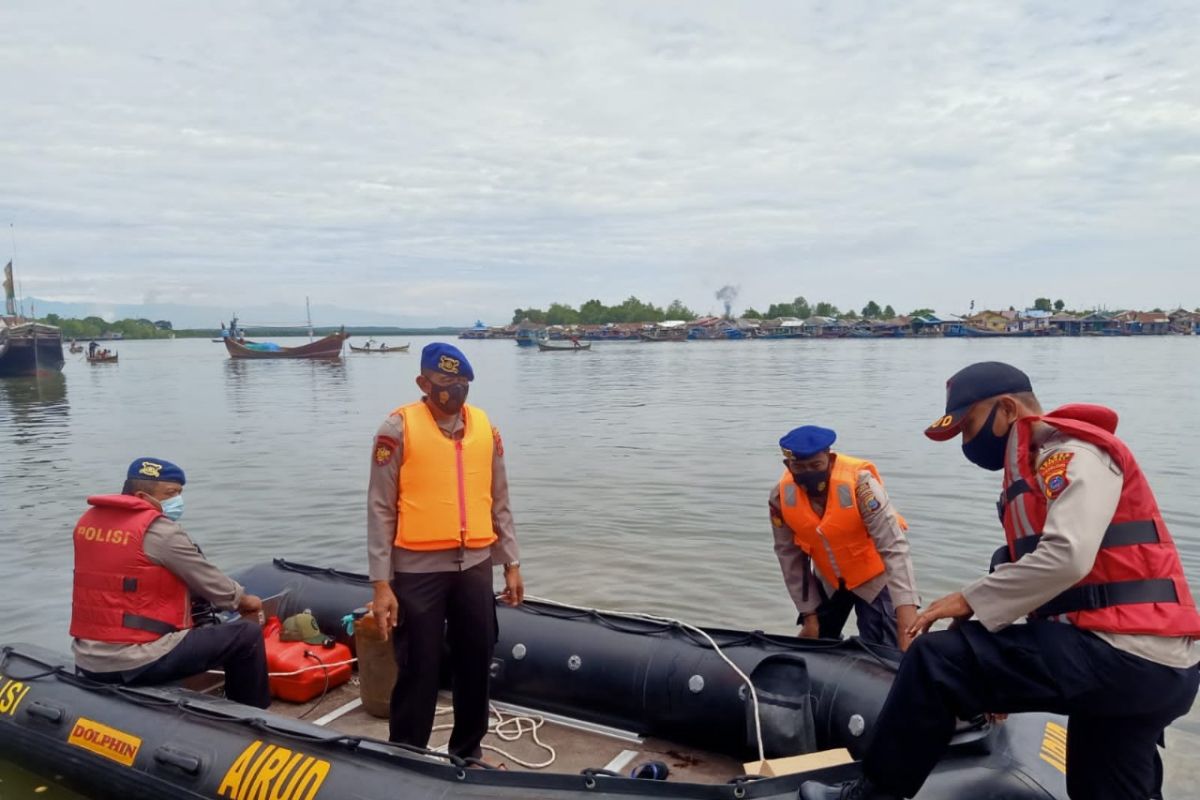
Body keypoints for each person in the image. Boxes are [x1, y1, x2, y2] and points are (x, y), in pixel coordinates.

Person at [801, 362, 1200, 800]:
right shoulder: (1035, 470)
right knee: (1105, 786)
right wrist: (989, 638)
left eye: (969, 427)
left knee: (937, 662)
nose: (967, 444)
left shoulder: (1071, 455)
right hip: (1149, 666)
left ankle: (869, 796)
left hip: (1124, 654)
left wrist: (968, 601)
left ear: (1007, 409)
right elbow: (1030, 575)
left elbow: (1067, 556)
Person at [366, 342, 523, 761]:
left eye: (462, 383)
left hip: (474, 566)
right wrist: (381, 584)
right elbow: (380, 508)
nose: (454, 391)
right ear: (423, 383)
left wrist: (510, 561)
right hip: (417, 571)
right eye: (445, 382)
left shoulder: (485, 429)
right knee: (419, 666)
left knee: (476, 661)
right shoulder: (396, 429)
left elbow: (499, 498)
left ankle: (467, 753)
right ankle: (406, 756)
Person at [71, 458, 270, 708]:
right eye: (171, 493)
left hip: (88, 656)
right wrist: (245, 601)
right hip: (136, 659)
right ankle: (254, 719)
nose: (177, 500)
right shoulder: (159, 532)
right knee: (246, 636)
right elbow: (211, 582)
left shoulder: (89, 523)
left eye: (179, 493)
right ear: (142, 495)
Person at [771, 426, 919, 650]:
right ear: (788, 466)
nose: (808, 473)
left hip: (874, 578)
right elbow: (789, 557)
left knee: (886, 648)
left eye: (816, 465)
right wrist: (808, 614)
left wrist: (906, 625)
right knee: (816, 643)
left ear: (830, 459)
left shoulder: (862, 487)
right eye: (799, 467)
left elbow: (894, 549)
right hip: (829, 579)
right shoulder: (780, 497)